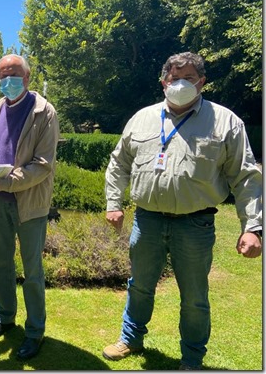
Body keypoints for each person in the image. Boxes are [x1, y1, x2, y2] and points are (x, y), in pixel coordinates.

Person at [102, 52, 262, 370]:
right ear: (163, 82)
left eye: (188, 78)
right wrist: (114, 203)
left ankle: (191, 358)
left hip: (195, 224)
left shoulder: (226, 122)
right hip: (147, 220)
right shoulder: (142, 118)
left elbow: (245, 177)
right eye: (174, 79)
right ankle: (131, 338)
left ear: (201, 82)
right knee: (140, 286)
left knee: (194, 297)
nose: (180, 84)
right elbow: (119, 163)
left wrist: (252, 227)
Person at [0, 54, 60, 360]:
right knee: (0, 264)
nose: (8, 80)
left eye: (14, 74)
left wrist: (5, 182)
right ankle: (5, 318)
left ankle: (35, 331)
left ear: (27, 77)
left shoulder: (44, 112)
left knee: (32, 272)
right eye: (2, 75)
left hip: (29, 204)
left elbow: (42, 165)